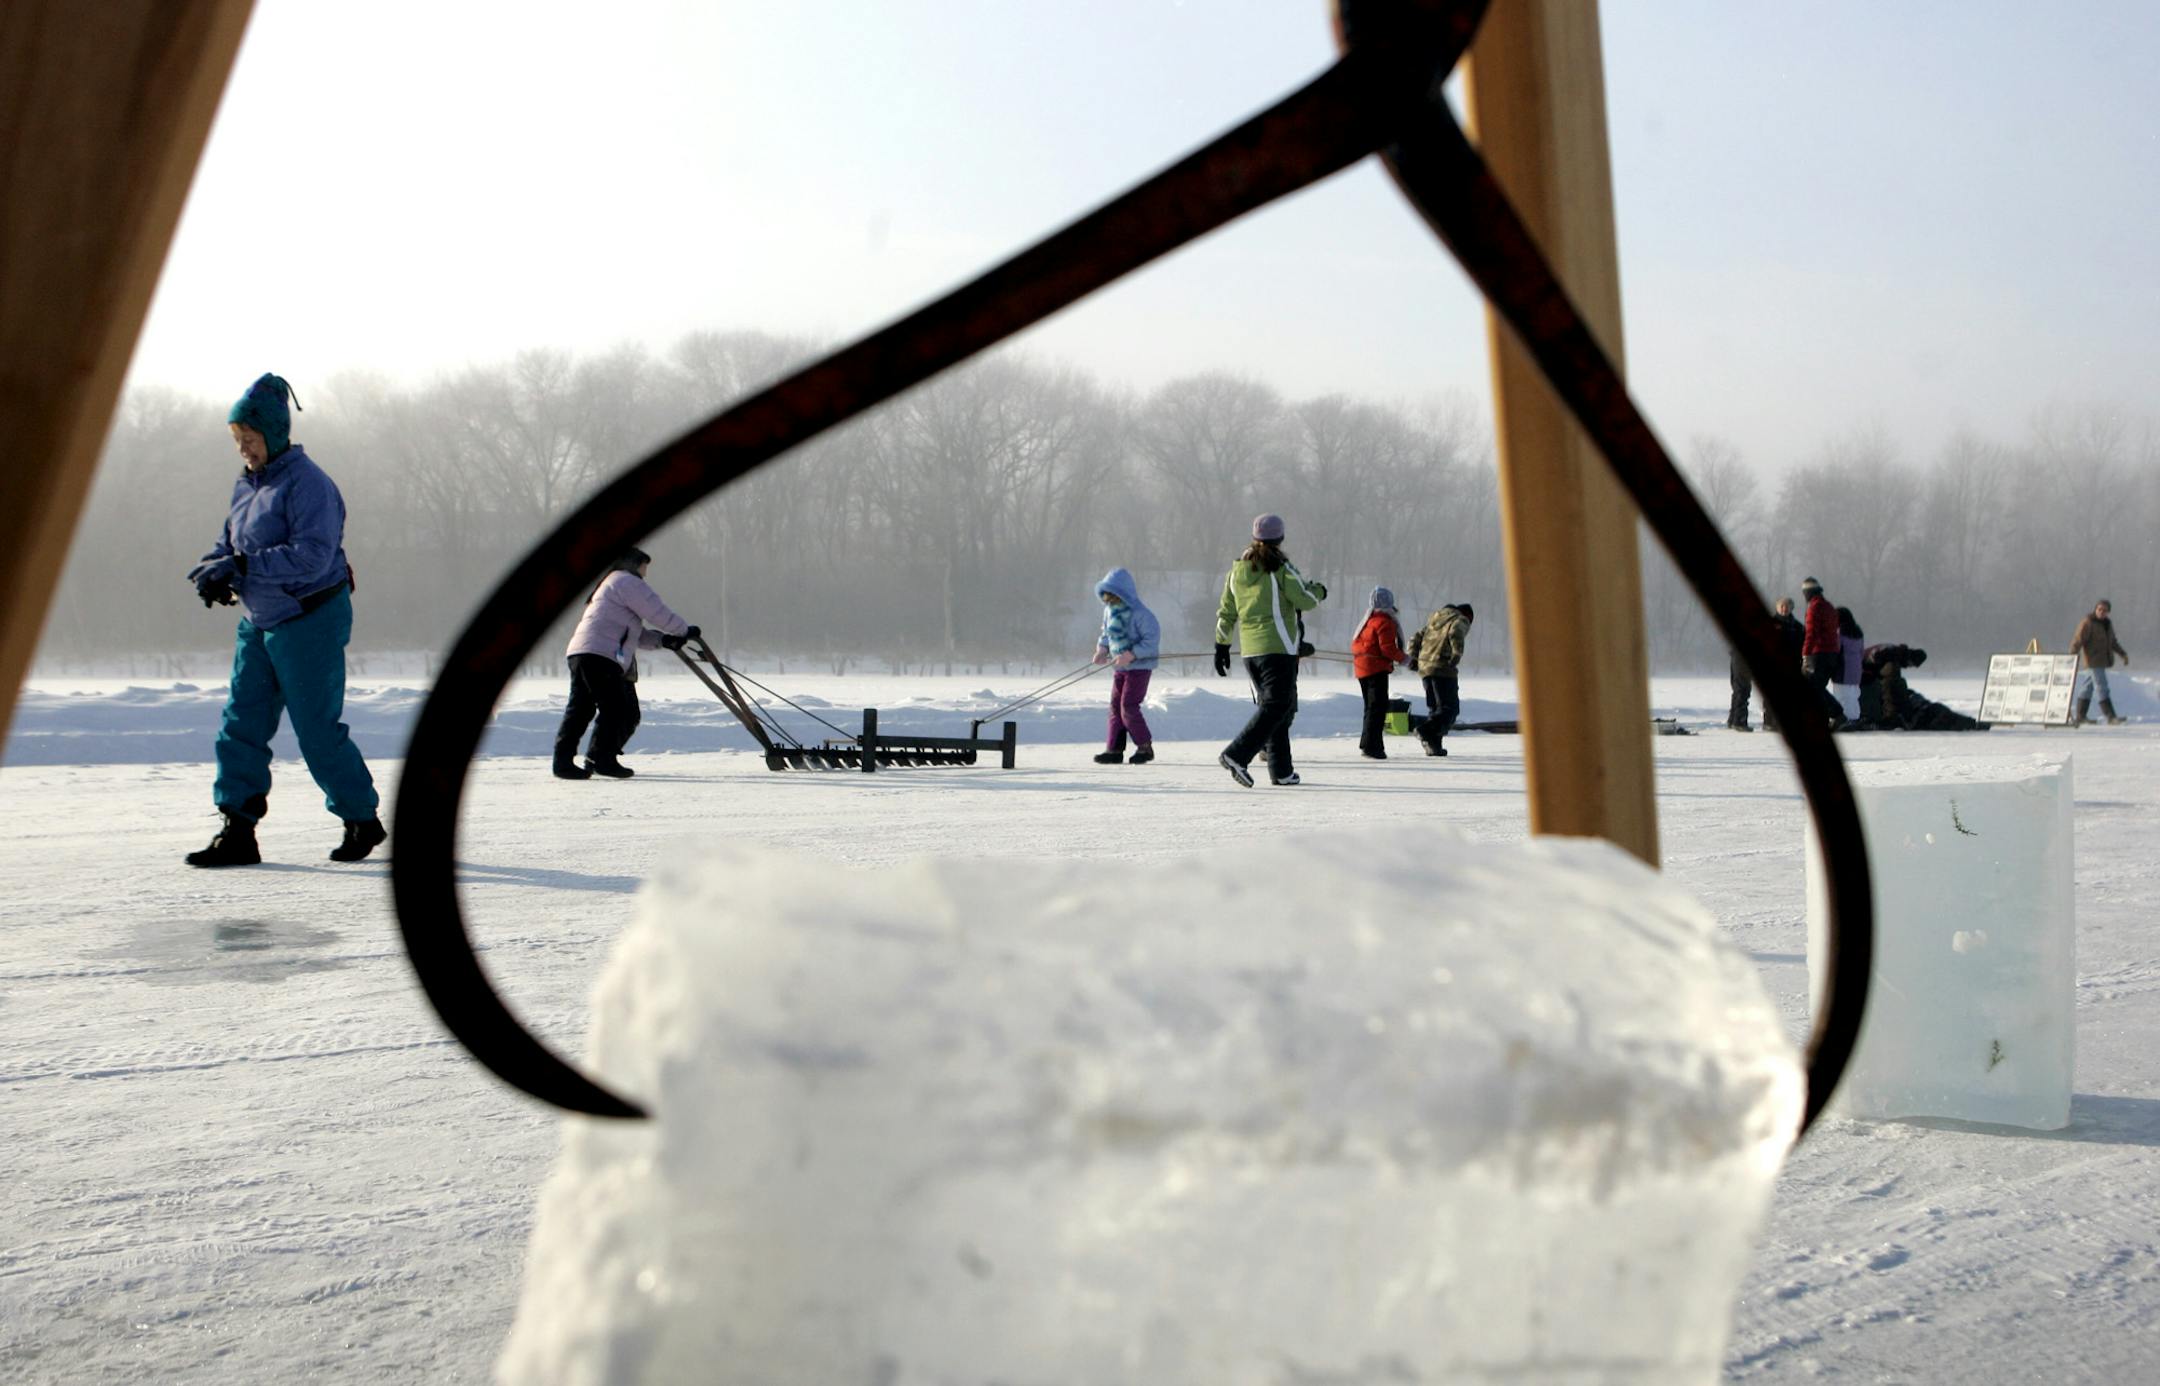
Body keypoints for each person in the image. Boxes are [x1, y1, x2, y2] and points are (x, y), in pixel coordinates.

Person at [182, 373, 383, 867]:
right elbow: (230, 541)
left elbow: (312, 556)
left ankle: (362, 817)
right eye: (237, 440)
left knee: (315, 729)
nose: (243, 450)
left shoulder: (310, 484)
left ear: (273, 434)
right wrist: (216, 568)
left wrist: (246, 567)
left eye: (249, 439)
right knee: (240, 724)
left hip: (310, 616)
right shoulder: (247, 485)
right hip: (260, 619)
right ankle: (238, 829)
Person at [555, 548, 694, 779]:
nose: (646, 572)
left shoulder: (610, 585)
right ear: (633, 564)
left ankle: (563, 762)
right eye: (644, 566)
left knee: (581, 709)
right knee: (618, 709)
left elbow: (635, 634)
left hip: (584, 652)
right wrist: (683, 630)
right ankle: (601, 759)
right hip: (601, 655)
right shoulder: (627, 581)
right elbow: (655, 610)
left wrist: (664, 640)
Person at [1213, 513, 1325, 786]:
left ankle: (1281, 771)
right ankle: (1237, 753)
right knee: (1279, 705)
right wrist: (1319, 591)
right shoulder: (1281, 568)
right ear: (1280, 538)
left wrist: (1222, 646)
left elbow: (1226, 612)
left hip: (1251, 651)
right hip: (1278, 648)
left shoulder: (1235, 572)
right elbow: (1305, 599)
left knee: (1275, 707)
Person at [1090, 567, 1161, 765]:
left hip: (1139, 668)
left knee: (1128, 706)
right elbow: (1106, 635)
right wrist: (1102, 650)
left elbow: (1151, 641)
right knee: (1115, 706)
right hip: (1120, 668)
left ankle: (1144, 747)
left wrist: (1132, 654)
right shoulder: (1109, 612)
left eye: (1112, 596)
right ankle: (1114, 749)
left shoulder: (1141, 614)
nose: (1108, 600)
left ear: (1123, 594)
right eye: (1106, 596)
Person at [1406, 601, 1474, 757]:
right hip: (1443, 669)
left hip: (1425, 669)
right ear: (1468, 616)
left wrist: (1414, 658)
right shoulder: (1460, 619)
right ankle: (1424, 730)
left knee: (1435, 709)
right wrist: (1456, 656)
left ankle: (1434, 746)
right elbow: (1456, 632)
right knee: (1450, 709)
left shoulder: (1434, 620)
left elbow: (1415, 638)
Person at [1350, 586, 1409, 759]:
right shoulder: (1385, 621)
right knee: (1377, 708)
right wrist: (1406, 660)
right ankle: (1372, 747)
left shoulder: (1367, 621)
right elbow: (1388, 649)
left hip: (1362, 669)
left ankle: (1368, 743)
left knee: (1370, 708)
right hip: (1376, 669)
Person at [2070, 598, 2130, 726]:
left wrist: (2122, 654)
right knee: (2102, 687)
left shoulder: (2107, 624)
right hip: (2093, 661)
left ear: (2108, 612)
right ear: (2095, 609)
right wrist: (2072, 655)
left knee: (2087, 687)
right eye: (2099, 609)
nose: (2101, 612)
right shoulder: (2088, 622)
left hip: (2103, 660)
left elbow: (2112, 642)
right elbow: (2078, 640)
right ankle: (2110, 716)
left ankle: (2081, 716)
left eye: (2104, 610)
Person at [1799, 577, 1847, 728]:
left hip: (1818, 654)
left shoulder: (1814, 608)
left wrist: (1805, 654)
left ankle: (1835, 713)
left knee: (1813, 688)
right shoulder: (1829, 606)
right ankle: (1832, 716)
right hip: (1832, 653)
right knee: (1817, 688)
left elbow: (1811, 633)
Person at [1762, 596, 1805, 732]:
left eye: (1787, 606)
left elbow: (1803, 645)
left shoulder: (1798, 626)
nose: (1784, 609)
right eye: (1782, 606)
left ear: (1791, 608)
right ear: (1777, 608)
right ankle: (1769, 722)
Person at [1831, 606, 1866, 722]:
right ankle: (1855, 717)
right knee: (1854, 696)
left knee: (1842, 696)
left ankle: (1846, 719)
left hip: (1843, 670)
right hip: (1856, 670)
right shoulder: (1858, 632)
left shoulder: (1840, 632)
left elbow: (1836, 650)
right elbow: (1862, 652)